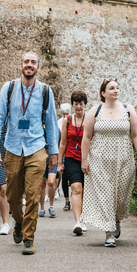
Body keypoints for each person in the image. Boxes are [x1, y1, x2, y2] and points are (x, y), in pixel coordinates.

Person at [0, 52, 59, 255]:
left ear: (38, 68)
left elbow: (52, 124)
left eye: (33, 62)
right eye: (26, 62)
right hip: (12, 147)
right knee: (11, 195)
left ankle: (29, 238)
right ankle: (18, 222)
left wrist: (53, 152)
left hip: (36, 147)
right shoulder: (9, 88)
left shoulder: (45, 91)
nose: (29, 65)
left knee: (32, 194)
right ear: (21, 65)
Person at [80, 78, 137, 247]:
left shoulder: (128, 110)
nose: (116, 90)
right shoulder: (95, 111)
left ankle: (115, 221)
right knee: (105, 195)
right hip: (99, 161)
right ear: (103, 93)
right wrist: (84, 160)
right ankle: (109, 233)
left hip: (124, 160)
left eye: (117, 88)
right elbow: (86, 137)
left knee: (120, 197)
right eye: (111, 88)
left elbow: (136, 135)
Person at [57, 90, 88, 235]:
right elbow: (63, 143)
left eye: (81, 104)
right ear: (72, 105)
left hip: (87, 159)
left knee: (85, 191)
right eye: (76, 104)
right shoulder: (67, 120)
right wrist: (60, 163)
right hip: (71, 158)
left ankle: (83, 217)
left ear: (85, 105)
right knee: (76, 188)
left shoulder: (90, 119)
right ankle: (78, 222)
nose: (79, 107)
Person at [57, 103, 72, 209]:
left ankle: (75, 197)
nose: (64, 115)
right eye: (63, 114)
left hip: (72, 151)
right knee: (64, 176)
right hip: (62, 151)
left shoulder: (72, 120)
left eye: (66, 113)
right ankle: (67, 201)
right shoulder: (58, 123)